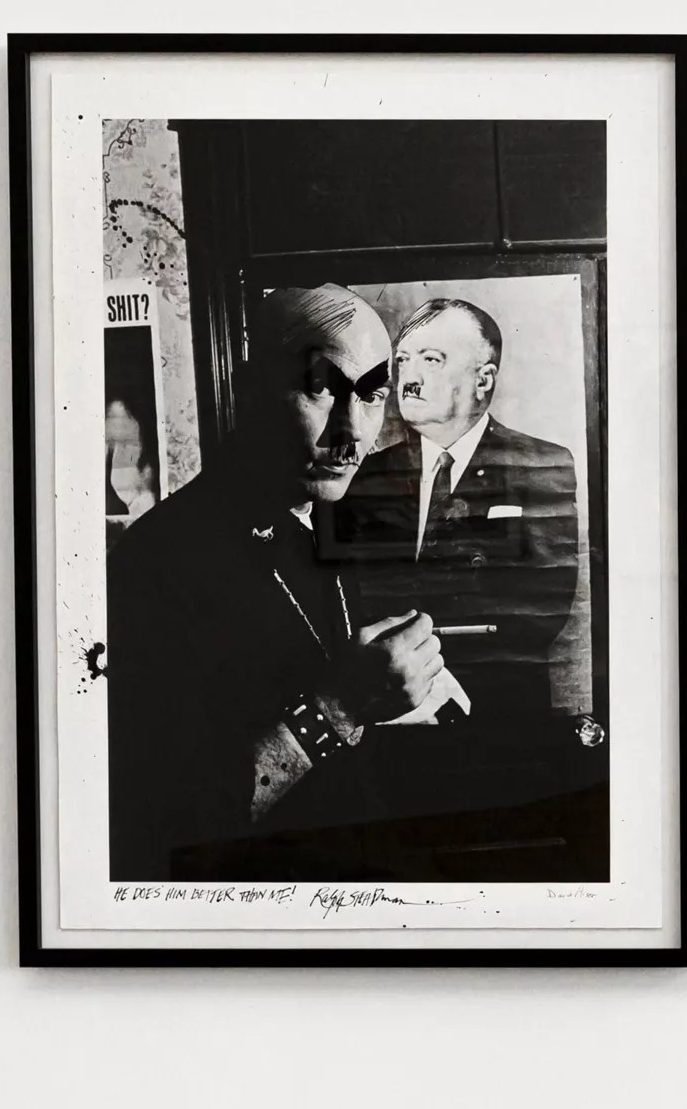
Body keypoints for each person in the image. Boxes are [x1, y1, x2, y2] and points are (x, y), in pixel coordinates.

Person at [105, 285, 449, 877]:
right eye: (320, 388)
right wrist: (339, 706)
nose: (352, 432)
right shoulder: (153, 563)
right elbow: (162, 827)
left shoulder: (326, 517)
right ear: (248, 389)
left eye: (371, 395)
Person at [335, 296, 583, 731]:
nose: (409, 378)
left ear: (483, 380)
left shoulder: (541, 465)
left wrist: (433, 674)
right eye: (403, 360)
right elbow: (352, 597)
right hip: (388, 714)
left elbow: (543, 607)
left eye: (431, 360)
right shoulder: (363, 475)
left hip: (497, 717)